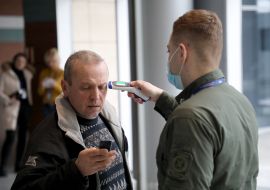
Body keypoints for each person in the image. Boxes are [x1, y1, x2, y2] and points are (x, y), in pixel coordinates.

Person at [128, 9, 258, 189]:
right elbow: (207, 130)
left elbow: (195, 123)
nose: (168, 58)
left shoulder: (189, 117)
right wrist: (159, 98)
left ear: (181, 52)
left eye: (169, 51)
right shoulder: (241, 102)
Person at [11, 50, 132, 190]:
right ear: (65, 87)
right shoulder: (48, 134)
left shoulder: (109, 117)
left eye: (102, 87)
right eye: (86, 87)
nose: (96, 96)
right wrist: (76, 171)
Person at [11, 53, 33, 172]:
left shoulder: (27, 73)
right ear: (14, 61)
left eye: (23, 61)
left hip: (25, 107)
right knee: (11, 136)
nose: (20, 63)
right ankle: (5, 163)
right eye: (18, 60)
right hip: (12, 107)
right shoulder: (8, 73)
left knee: (23, 136)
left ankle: (19, 163)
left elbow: (33, 70)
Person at [0, 61, 21, 176]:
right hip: (10, 108)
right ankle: (2, 166)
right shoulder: (4, 76)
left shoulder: (20, 74)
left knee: (13, 138)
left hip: (19, 108)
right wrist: (9, 99)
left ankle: (5, 166)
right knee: (10, 137)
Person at [38, 48, 64, 117]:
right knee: (47, 126)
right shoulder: (44, 73)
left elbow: (65, 91)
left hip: (58, 105)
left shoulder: (63, 73)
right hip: (46, 105)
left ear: (58, 60)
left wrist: (54, 84)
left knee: (58, 126)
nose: (50, 64)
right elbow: (40, 92)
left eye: (53, 61)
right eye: (48, 62)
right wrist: (42, 85)